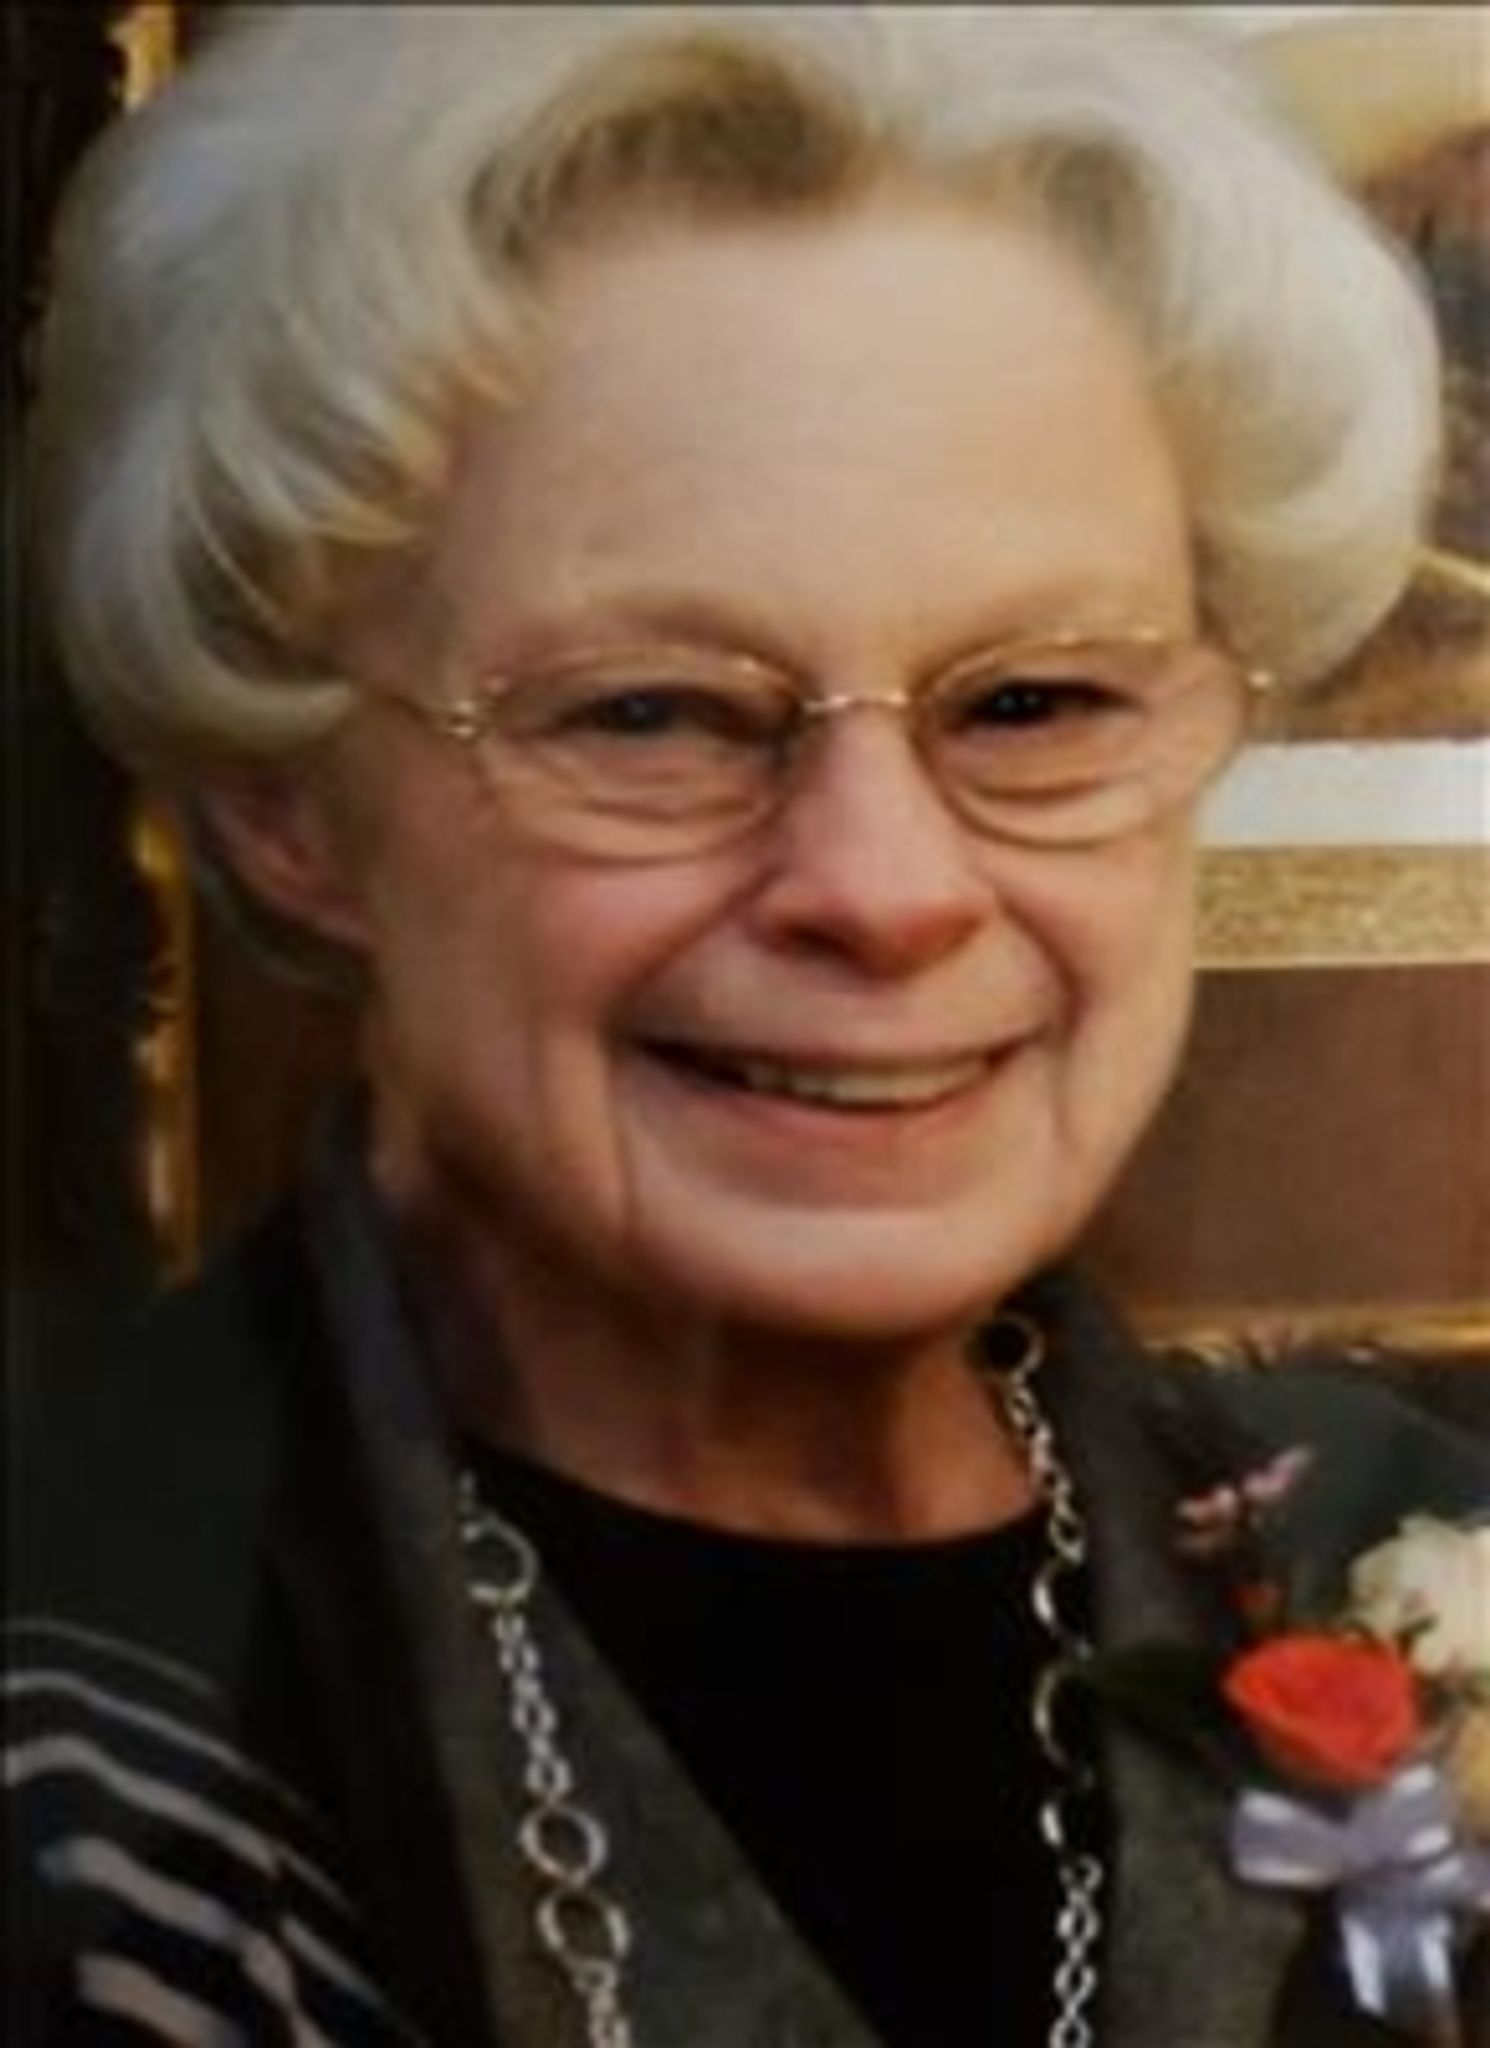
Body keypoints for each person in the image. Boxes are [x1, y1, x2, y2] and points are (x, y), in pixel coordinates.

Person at [7, 8, 1487, 2045]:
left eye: (1033, 703)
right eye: (651, 714)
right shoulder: (82, 1729)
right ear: (291, 803)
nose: (883, 886)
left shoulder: (1389, 1545)